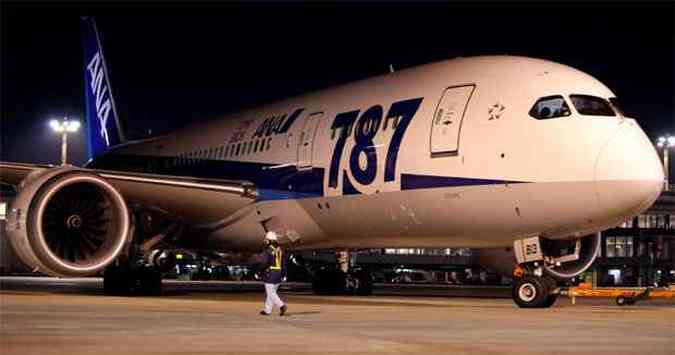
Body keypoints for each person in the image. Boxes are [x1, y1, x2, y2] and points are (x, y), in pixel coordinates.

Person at [259, 231, 287, 316]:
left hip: (270, 273)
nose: (266, 241)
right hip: (278, 272)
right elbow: (283, 263)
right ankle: (268, 310)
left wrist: (259, 272)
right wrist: (284, 274)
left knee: (270, 293)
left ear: (269, 240)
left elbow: (265, 262)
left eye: (267, 239)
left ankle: (282, 305)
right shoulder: (280, 250)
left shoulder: (268, 250)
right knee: (272, 292)